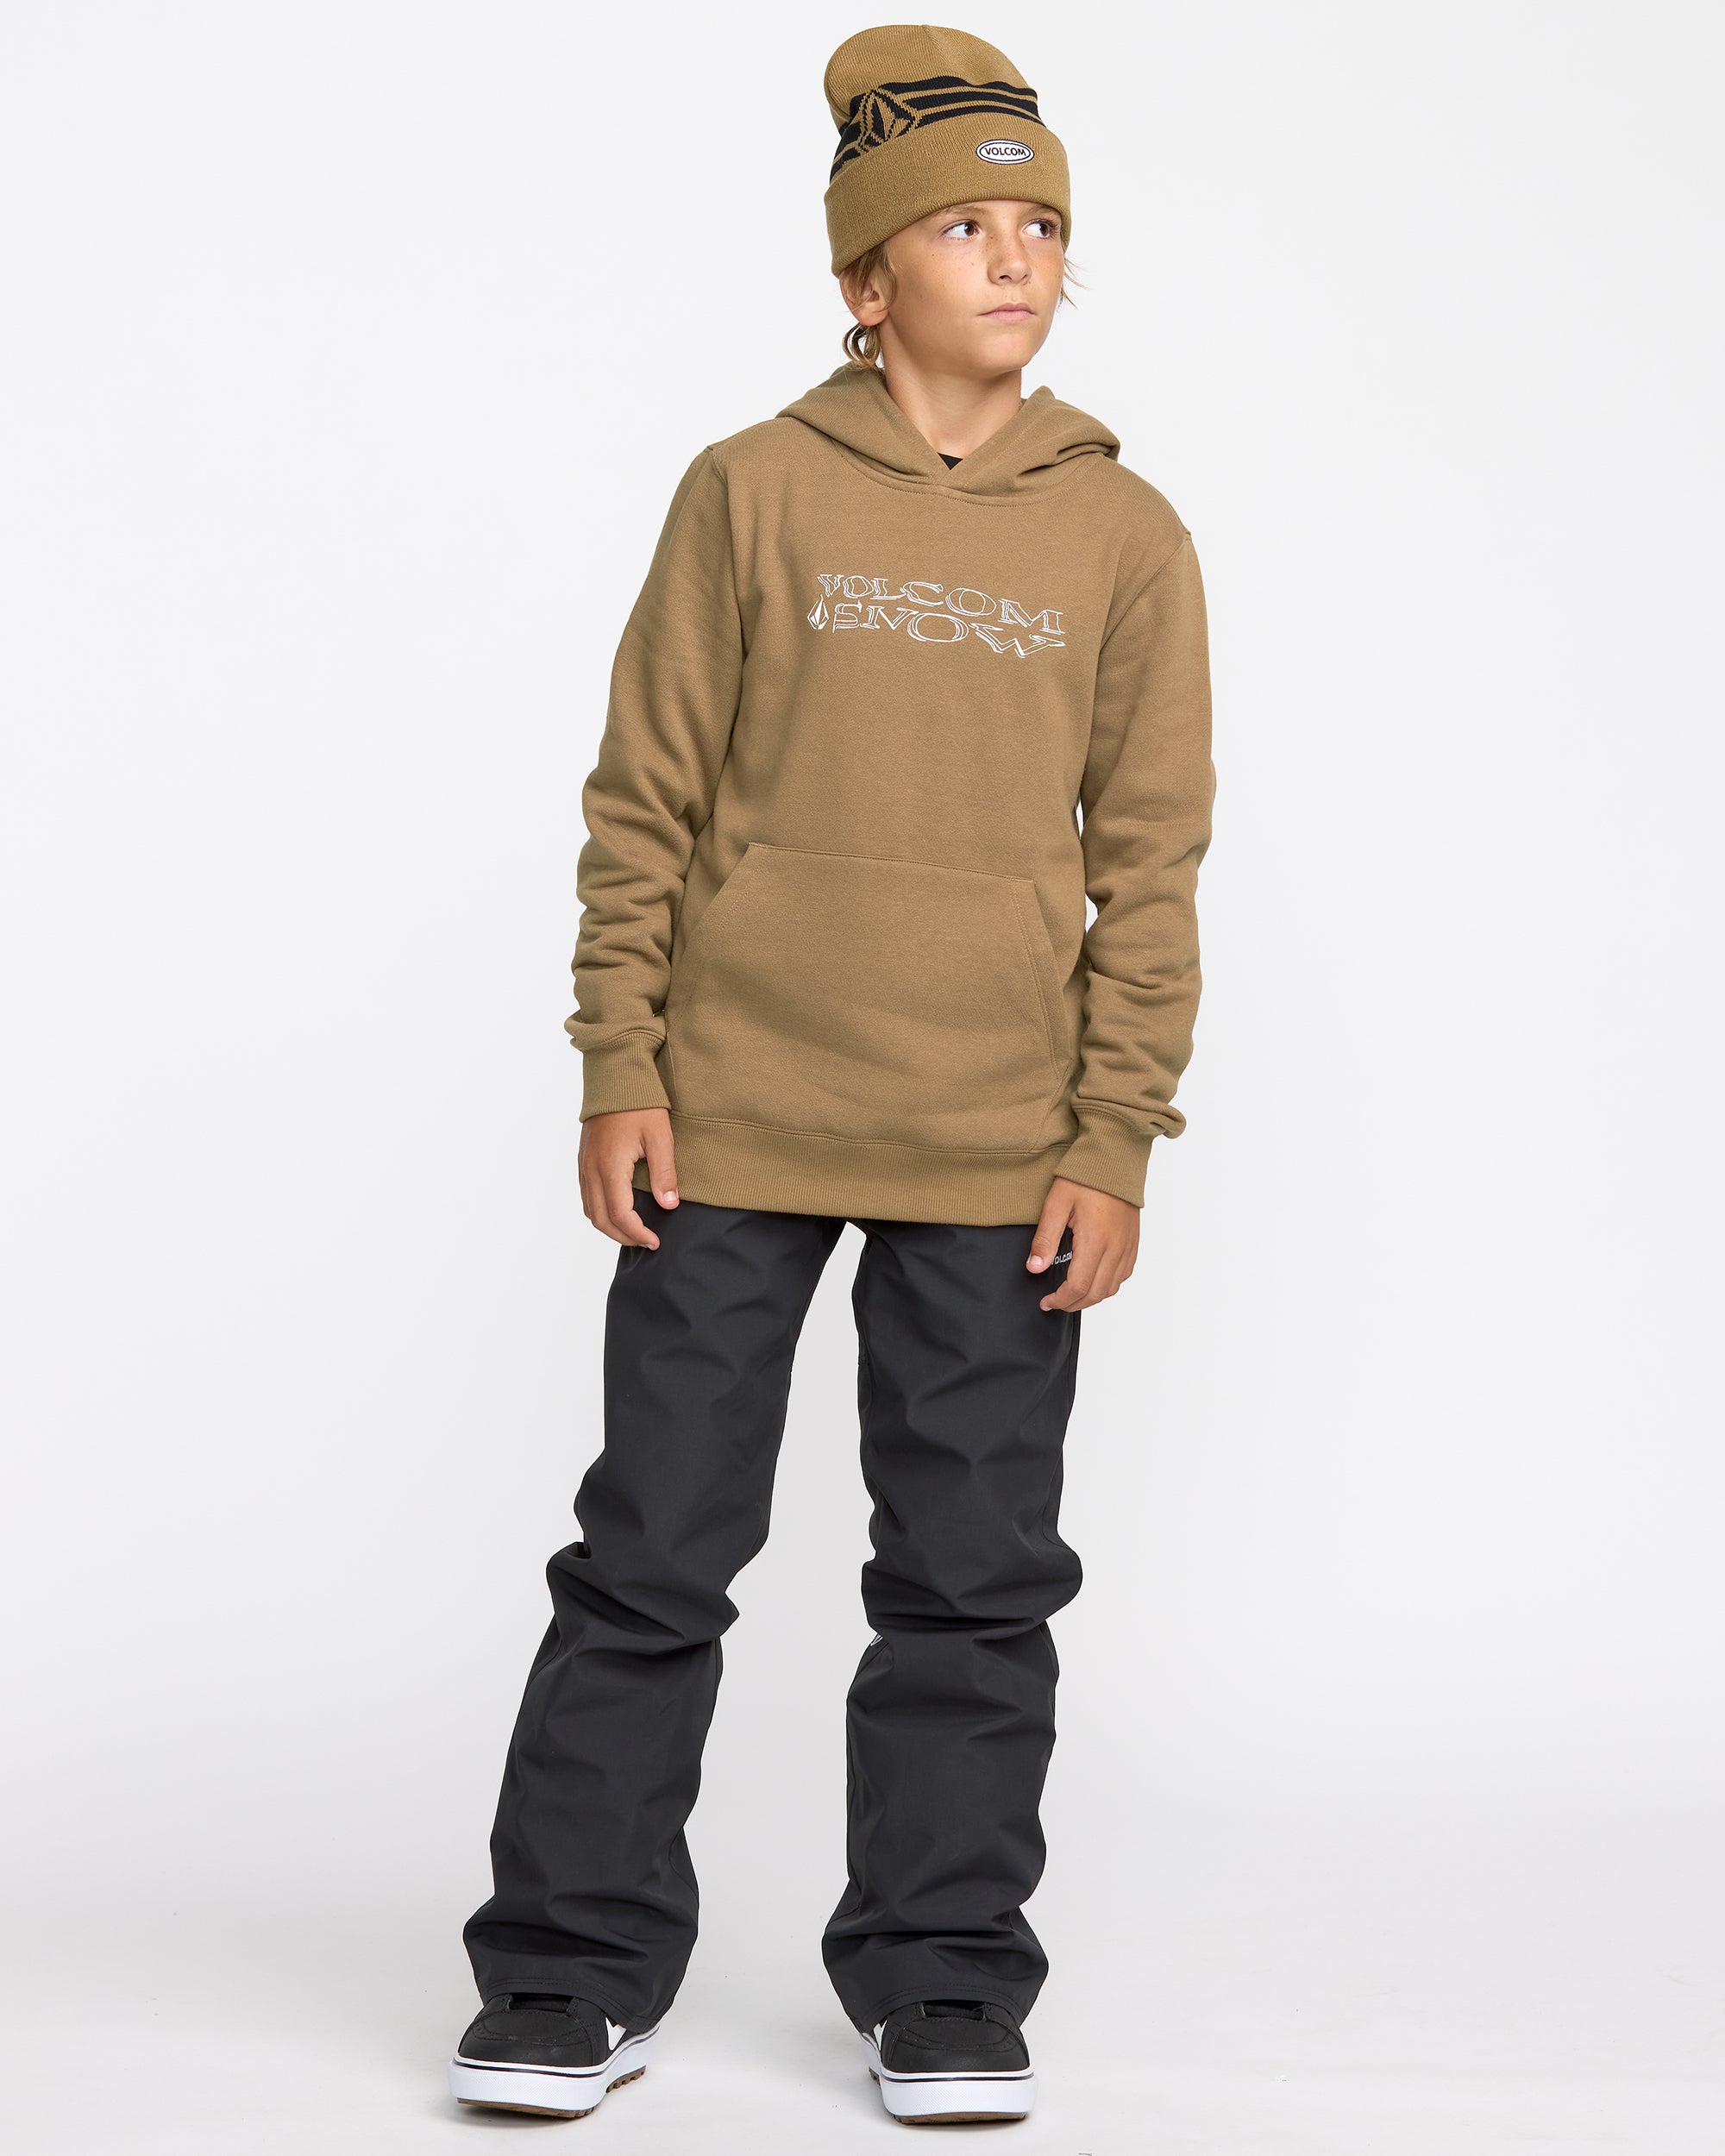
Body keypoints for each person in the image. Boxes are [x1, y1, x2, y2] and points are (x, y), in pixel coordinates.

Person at [449, 22, 1214, 2128]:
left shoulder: (1125, 532)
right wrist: (620, 1061)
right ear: (864, 277)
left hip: (998, 1146)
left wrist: (1114, 1134)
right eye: (962, 228)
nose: (1015, 257)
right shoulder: (750, 490)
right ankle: (569, 1962)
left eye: (1038, 228)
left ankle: (942, 1976)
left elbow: (1152, 865)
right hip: (730, 1115)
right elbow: (645, 801)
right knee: (649, 1554)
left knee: (972, 1579)